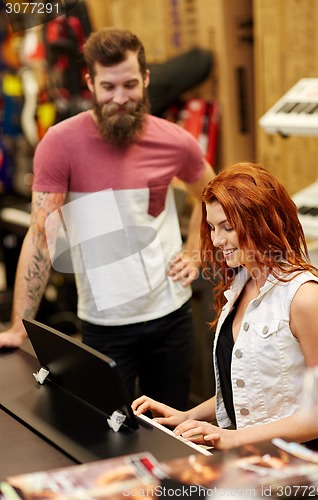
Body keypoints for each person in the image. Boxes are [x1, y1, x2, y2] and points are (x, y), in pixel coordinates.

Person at [0, 28, 215, 410]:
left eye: (130, 85)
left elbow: (214, 195)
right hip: (104, 324)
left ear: (146, 79)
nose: (120, 98)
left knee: (172, 435)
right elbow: (41, 236)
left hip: (171, 318)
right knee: (106, 434)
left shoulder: (174, 141)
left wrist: (196, 250)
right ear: (90, 83)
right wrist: (20, 325)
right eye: (108, 86)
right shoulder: (60, 144)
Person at [132, 162, 318, 450]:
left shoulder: (304, 297)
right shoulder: (240, 284)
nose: (216, 240)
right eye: (213, 228)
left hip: (299, 467)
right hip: (252, 458)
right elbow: (251, 387)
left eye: (228, 227)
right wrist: (187, 416)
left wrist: (234, 436)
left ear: (263, 222)